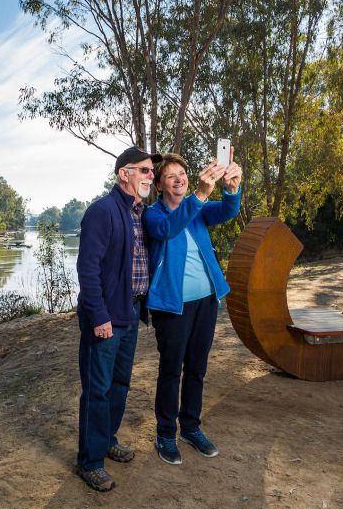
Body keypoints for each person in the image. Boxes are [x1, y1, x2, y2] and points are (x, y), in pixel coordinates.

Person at [142, 151, 242, 465]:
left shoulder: (198, 211)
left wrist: (232, 188)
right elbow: (169, 229)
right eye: (172, 176)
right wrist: (199, 194)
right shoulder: (153, 215)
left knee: (197, 368)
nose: (180, 179)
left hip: (205, 302)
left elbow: (227, 210)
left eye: (183, 174)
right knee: (171, 370)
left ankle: (191, 427)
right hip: (172, 307)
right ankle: (164, 434)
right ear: (159, 185)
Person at [75, 145, 162, 491]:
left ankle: (107, 438)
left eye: (152, 172)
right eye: (144, 170)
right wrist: (99, 316)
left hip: (131, 313)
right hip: (106, 317)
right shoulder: (102, 211)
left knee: (120, 385)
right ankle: (90, 461)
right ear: (123, 174)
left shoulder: (142, 213)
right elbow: (88, 269)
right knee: (97, 390)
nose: (150, 176)